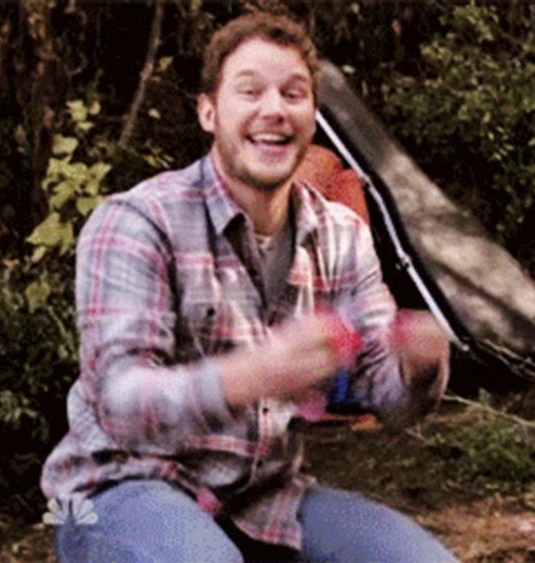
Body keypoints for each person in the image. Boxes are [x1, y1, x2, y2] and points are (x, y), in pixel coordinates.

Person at [40, 12, 457, 562]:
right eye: (250, 91)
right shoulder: (137, 222)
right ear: (209, 111)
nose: (274, 110)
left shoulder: (342, 236)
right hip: (118, 490)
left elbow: (390, 400)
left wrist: (421, 365)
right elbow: (120, 403)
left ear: (312, 115)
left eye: (293, 93)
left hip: (266, 501)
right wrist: (254, 374)